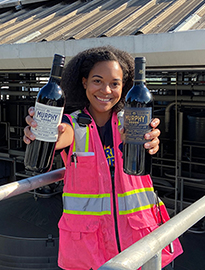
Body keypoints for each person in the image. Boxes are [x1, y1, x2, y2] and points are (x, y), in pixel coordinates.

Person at [23, 46, 183, 269]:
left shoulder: (132, 121)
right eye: (97, 81)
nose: (106, 90)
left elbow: (148, 143)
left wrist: (152, 141)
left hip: (141, 243)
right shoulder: (73, 124)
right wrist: (39, 131)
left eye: (115, 83)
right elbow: (59, 134)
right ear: (84, 82)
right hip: (90, 251)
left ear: (123, 87)